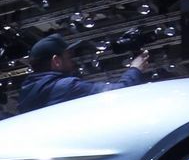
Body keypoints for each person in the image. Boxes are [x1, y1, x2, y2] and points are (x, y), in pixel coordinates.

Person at [16, 34, 152, 113]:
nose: (73, 62)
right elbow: (121, 92)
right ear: (56, 61)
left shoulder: (25, 96)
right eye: (69, 57)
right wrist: (135, 68)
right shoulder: (66, 87)